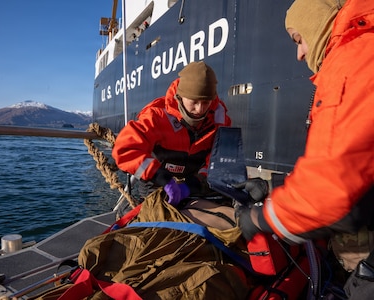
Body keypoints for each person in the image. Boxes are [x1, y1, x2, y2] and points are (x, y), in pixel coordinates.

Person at [235, 0, 374, 297]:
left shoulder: (353, 60)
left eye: (299, 39)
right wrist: (275, 185)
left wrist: (262, 217)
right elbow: (359, 165)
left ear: (319, 22)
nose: (299, 54)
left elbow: (335, 196)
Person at [112, 61, 231, 209]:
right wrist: (162, 178)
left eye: (206, 102)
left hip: (194, 187)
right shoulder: (156, 117)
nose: (200, 109)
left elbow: (219, 159)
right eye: (194, 102)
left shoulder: (219, 119)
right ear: (180, 97)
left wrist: (194, 184)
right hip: (157, 187)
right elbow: (125, 149)